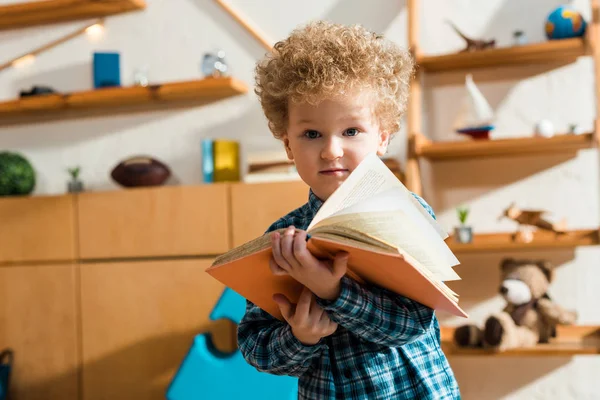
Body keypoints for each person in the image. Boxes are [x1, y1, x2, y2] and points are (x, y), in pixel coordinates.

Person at [237, 20, 460, 400]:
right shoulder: (282, 237)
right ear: (288, 146)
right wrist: (300, 337)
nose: (331, 150)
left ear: (383, 137)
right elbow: (256, 347)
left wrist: (332, 289)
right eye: (311, 134)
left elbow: (411, 324)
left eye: (352, 131)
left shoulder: (405, 212)